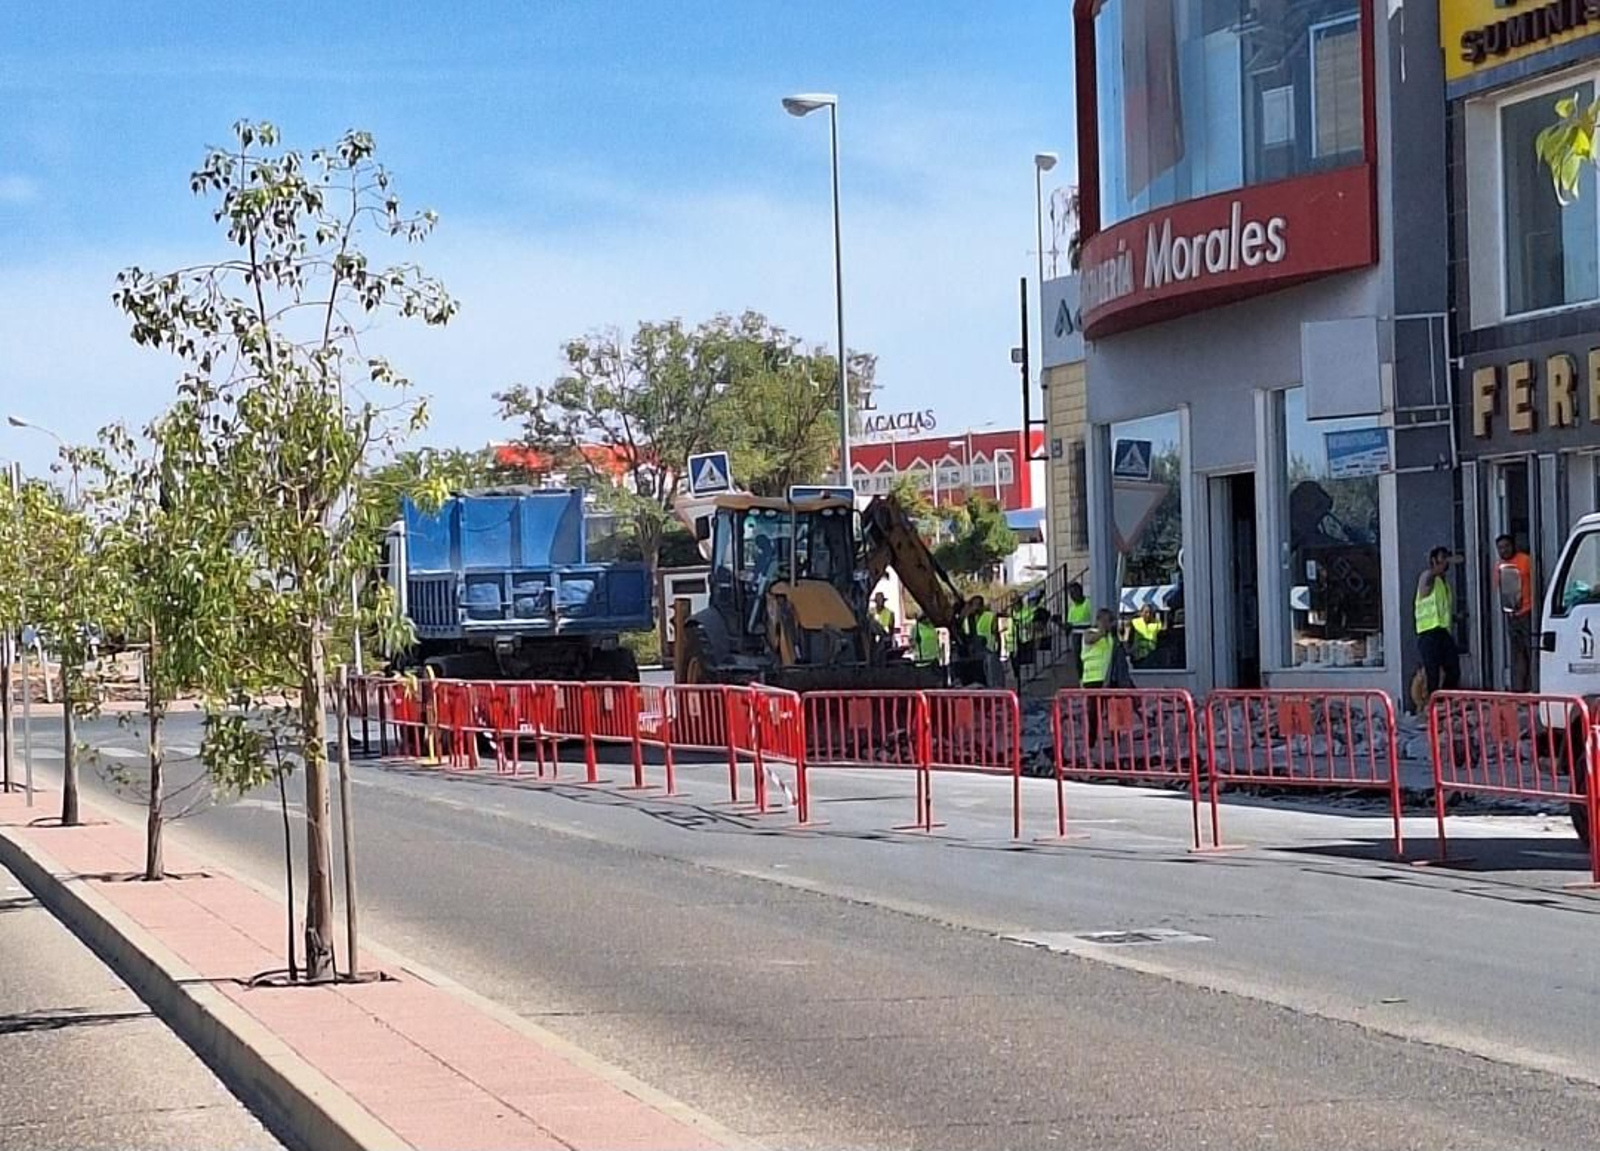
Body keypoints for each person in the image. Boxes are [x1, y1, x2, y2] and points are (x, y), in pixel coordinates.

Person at [1416, 545, 1460, 700]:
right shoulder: (1427, 576)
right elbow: (1429, 579)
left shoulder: (1443, 584)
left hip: (1441, 631)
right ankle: (1432, 706)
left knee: (1453, 667)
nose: (1446, 563)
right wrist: (1441, 563)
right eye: (1443, 558)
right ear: (1434, 560)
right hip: (1428, 633)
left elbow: (1442, 609)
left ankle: (1445, 700)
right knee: (1432, 672)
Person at [1494, 534, 1534, 693]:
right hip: (1512, 614)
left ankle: (1533, 685)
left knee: (1531, 650)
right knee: (1517, 653)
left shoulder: (1525, 560)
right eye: (1500, 548)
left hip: (1528, 610)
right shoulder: (1499, 567)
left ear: (1513, 546)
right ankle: (1519, 689)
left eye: (1506, 546)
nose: (1503, 550)